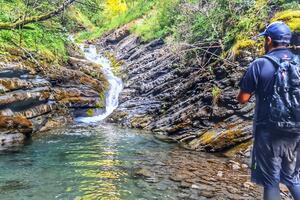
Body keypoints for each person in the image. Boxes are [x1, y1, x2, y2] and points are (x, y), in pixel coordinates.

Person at [237, 21, 300, 200]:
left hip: (268, 131)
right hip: (296, 130)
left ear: (269, 40)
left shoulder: (260, 64)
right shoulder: (298, 61)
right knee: (293, 177)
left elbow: (242, 99)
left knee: (271, 180)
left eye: (265, 39)